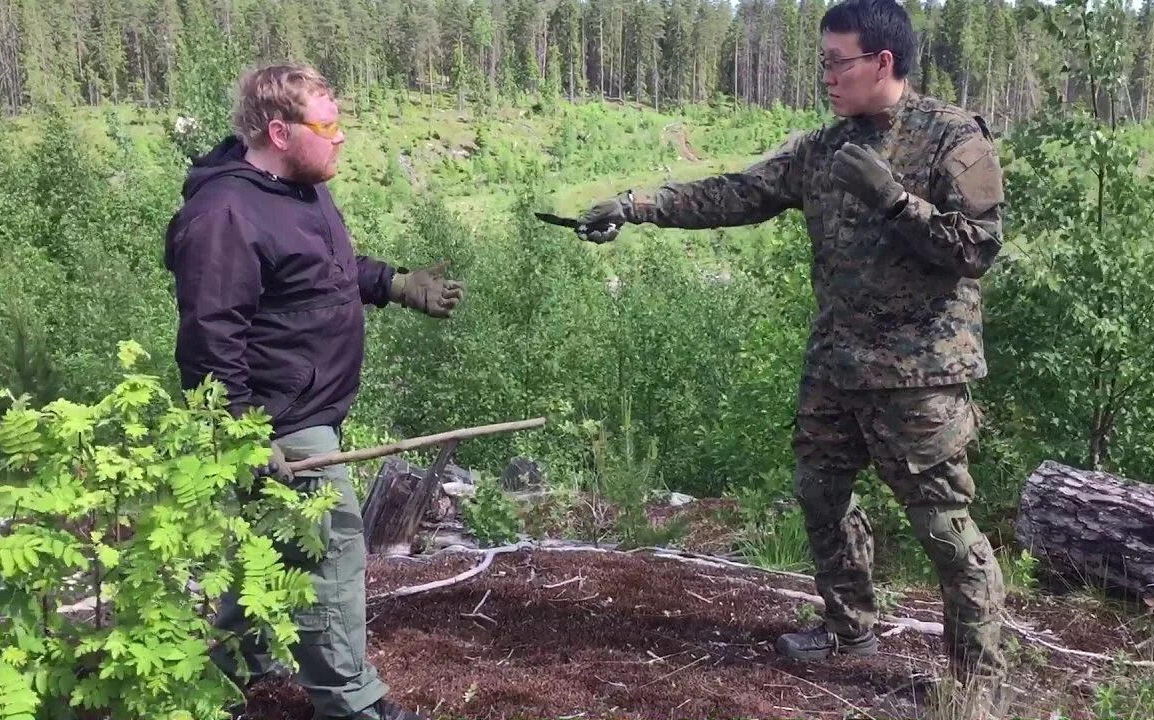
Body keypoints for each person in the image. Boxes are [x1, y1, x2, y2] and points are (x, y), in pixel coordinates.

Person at [570, 0, 1009, 712]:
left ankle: (977, 691)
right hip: (837, 362)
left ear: (883, 63)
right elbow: (738, 193)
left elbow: (978, 249)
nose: (826, 75)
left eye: (837, 61)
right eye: (823, 62)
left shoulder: (951, 137)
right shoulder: (825, 148)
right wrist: (634, 203)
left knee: (944, 529)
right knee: (820, 495)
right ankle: (851, 624)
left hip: (919, 377)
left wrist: (896, 202)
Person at [164, 63, 463, 720]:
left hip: (305, 409)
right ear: (279, 130)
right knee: (332, 547)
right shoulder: (224, 214)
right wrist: (243, 431)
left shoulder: (300, 192)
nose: (342, 138)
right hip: (277, 420)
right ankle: (351, 703)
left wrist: (394, 283)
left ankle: (227, 674)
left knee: (273, 545)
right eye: (328, 124)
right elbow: (210, 335)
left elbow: (323, 272)